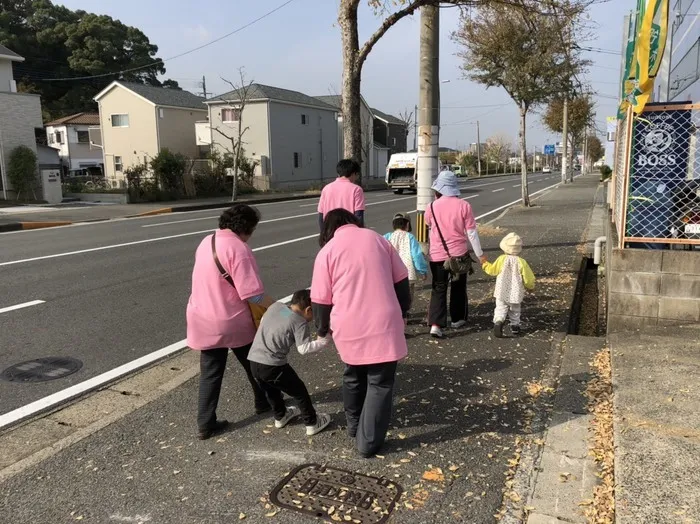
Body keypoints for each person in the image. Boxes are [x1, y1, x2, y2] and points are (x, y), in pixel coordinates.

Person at [311, 209, 411, 458]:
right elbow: (401, 279)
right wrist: (404, 311)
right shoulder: (378, 240)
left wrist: (322, 329)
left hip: (348, 325)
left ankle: (354, 427)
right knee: (380, 382)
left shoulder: (328, 251)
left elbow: (321, 300)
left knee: (353, 375)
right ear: (353, 222)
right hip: (384, 321)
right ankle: (368, 442)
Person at [186, 204, 275, 440]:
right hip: (231, 319)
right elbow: (252, 294)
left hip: (202, 317)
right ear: (247, 228)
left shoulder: (207, 241)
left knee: (211, 373)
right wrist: (278, 308)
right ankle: (264, 402)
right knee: (254, 362)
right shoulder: (239, 248)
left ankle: (205, 423)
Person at [248, 289, 332, 436]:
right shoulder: (300, 322)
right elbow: (303, 348)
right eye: (316, 312)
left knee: (271, 389)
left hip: (254, 362)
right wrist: (323, 341)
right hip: (272, 365)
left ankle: (280, 416)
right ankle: (311, 422)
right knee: (299, 391)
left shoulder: (278, 307)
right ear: (308, 309)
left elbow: (267, 321)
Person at [425, 171, 487, 339]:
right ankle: (457, 318)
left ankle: (436, 324)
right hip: (459, 255)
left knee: (438, 288)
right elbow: (472, 233)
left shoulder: (431, 207)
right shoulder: (464, 205)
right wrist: (480, 255)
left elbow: (428, 225)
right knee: (458, 287)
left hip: (437, 255)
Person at [482, 232, 535, 338]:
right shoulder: (521, 262)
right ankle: (515, 326)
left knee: (500, 308)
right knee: (515, 309)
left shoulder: (502, 259)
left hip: (501, 290)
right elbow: (529, 277)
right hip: (516, 292)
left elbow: (493, 270)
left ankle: (498, 321)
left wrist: (485, 264)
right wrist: (531, 286)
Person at [383, 213, 429, 312]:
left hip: (390, 273)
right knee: (407, 296)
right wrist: (422, 270)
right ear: (407, 224)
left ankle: (394, 313)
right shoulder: (410, 237)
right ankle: (405, 314)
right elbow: (416, 256)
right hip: (407, 274)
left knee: (392, 295)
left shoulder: (387, 237)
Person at [317, 159, 366, 230]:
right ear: (353, 173)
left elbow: (321, 216)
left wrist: (324, 235)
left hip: (329, 232)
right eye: (357, 175)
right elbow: (358, 216)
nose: (356, 178)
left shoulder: (326, 188)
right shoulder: (356, 189)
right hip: (349, 232)